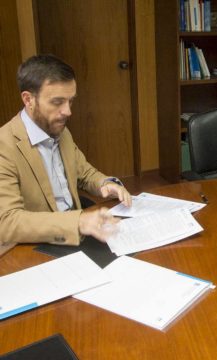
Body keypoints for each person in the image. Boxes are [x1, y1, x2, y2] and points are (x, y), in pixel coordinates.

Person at [0, 54, 132, 255]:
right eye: (57, 102)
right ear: (28, 99)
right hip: (39, 245)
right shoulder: (5, 146)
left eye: (70, 101)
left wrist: (105, 183)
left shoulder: (60, 129)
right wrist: (78, 221)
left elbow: (83, 172)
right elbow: (8, 221)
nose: (67, 111)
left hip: (78, 232)